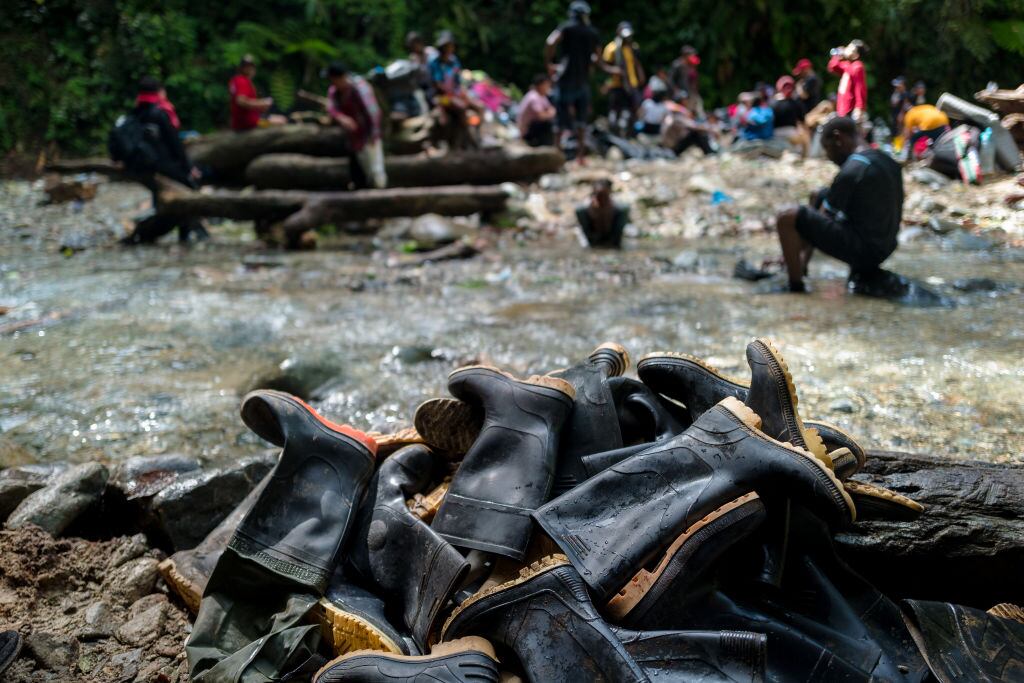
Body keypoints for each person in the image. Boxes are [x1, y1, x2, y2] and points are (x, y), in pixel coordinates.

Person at [774, 116, 903, 292]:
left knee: (786, 216)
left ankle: (795, 286)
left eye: (827, 148)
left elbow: (821, 221)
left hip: (865, 253)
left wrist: (788, 253)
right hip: (885, 247)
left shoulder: (853, 168)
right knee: (818, 195)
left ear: (838, 138)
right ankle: (802, 265)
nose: (828, 156)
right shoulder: (885, 160)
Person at [120, 77, 206, 244]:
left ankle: (158, 228)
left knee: (160, 196)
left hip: (144, 166)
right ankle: (186, 236)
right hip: (165, 166)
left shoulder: (135, 113)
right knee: (188, 191)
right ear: (159, 92)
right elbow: (175, 145)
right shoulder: (161, 112)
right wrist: (189, 168)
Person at [545, 1, 604, 162]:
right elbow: (598, 57)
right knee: (581, 120)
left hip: (565, 79)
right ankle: (580, 157)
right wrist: (591, 63)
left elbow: (550, 42)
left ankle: (556, 154)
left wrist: (550, 63)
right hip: (582, 80)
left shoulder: (566, 28)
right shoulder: (592, 32)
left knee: (560, 119)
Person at [326, 61, 385, 189]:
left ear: (341, 77)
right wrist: (342, 118)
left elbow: (374, 113)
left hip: (369, 134)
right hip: (353, 138)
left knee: (376, 171)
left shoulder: (360, 88)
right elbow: (331, 108)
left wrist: (373, 135)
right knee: (361, 171)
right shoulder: (334, 91)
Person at [429, 31, 479, 150]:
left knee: (479, 106)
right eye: (447, 46)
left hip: (455, 94)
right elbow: (438, 85)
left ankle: (479, 135)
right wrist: (454, 94)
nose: (450, 48)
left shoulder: (454, 61)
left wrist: (462, 93)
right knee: (461, 107)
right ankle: (471, 140)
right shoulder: (435, 63)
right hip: (442, 98)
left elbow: (458, 82)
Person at [603, 21, 645, 137]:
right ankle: (614, 135)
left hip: (632, 84)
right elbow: (604, 66)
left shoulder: (633, 47)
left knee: (633, 110)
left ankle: (630, 135)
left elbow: (637, 63)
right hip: (617, 85)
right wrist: (615, 72)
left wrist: (641, 75)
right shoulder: (611, 48)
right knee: (615, 111)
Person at [576, 178, 628, 248]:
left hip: (612, 238)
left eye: (604, 196)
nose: (601, 200)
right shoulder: (584, 209)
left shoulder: (620, 209)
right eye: (599, 196)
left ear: (609, 193)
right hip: (593, 238)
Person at [228, 55, 273, 132]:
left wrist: (260, 106)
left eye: (251, 66)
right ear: (241, 68)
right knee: (280, 121)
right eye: (247, 66)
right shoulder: (241, 81)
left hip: (245, 122)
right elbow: (241, 101)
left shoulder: (238, 80)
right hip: (249, 124)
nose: (250, 69)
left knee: (277, 119)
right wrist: (262, 103)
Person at [827, 40, 868, 123]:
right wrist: (837, 55)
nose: (846, 49)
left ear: (856, 55)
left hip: (849, 109)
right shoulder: (848, 65)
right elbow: (833, 67)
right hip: (841, 108)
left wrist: (859, 108)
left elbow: (860, 88)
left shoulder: (857, 67)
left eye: (850, 48)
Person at [771, 76, 810, 156]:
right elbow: (803, 122)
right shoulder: (796, 103)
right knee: (805, 141)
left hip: (775, 134)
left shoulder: (772, 103)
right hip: (791, 133)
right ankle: (805, 159)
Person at [517, 74, 557, 146]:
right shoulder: (534, 97)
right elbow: (542, 116)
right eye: (546, 85)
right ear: (540, 85)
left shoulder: (541, 96)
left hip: (533, 127)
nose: (548, 87)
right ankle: (544, 146)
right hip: (526, 131)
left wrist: (550, 113)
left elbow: (551, 109)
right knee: (548, 124)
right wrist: (550, 113)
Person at [670, 46, 703, 116]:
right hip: (680, 93)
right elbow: (671, 79)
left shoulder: (689, 65)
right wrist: (676, 90)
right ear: (685, 55)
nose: (693, 56)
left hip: (689, 92)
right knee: (682, 112)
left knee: (694, 107)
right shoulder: (677, 64)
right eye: (691, 54)